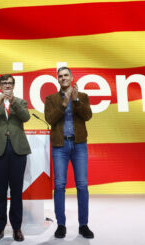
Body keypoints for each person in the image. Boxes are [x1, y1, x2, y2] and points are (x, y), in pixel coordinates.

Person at [44, 67, 94, 239]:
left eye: (66, 75)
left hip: (79, 145)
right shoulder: (51, 99)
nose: (63, 78)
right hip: (60, 146)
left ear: (71, 77)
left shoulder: (83, 96)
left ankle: (83, 225)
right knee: (59, 186)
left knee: (82, 185)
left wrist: (76, 100)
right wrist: (64, 104)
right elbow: (50, 119)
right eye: (60, 76)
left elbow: (87, 116)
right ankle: (61, 225)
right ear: (57, 79)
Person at [0, 74, 31, 242]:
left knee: (17, 191)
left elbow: (26, 117)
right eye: (4, 83)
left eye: (10, 83)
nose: (7, 85)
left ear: (13, 85)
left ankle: (17, 228)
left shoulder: (21, 102)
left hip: (17, 150)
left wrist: (13, 101)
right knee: (0, 191)